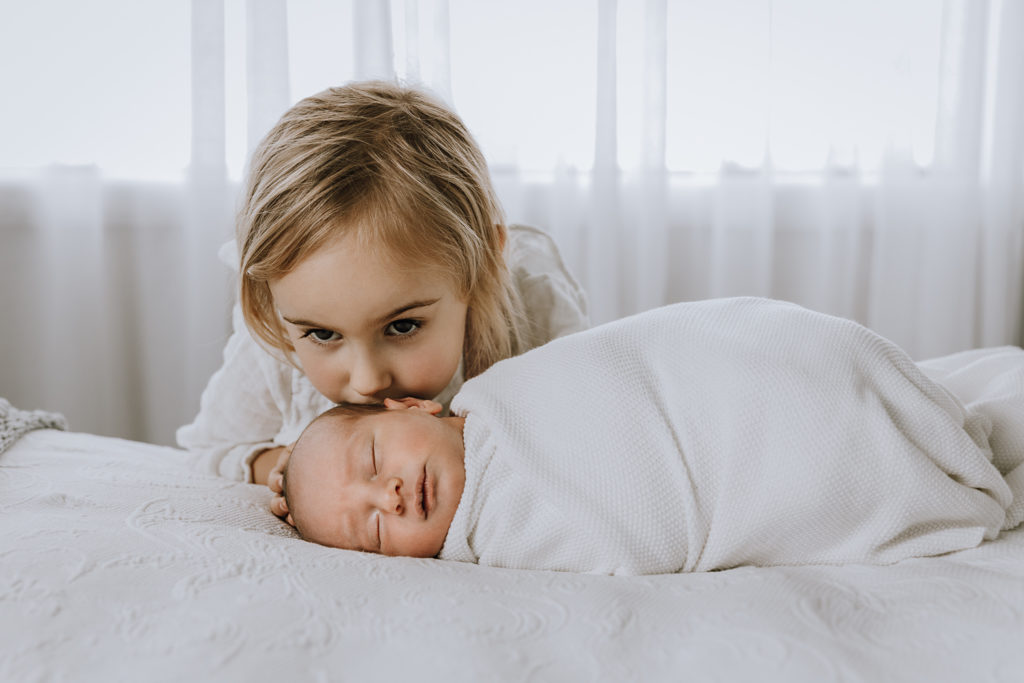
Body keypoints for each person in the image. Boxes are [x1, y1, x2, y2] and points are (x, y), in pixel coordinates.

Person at [280, 297, 1024, 575]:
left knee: (813, 380)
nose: (390, 494)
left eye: (373, 460)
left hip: (753, 376)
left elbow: (646, 362)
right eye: (371, 529)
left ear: (413, 408)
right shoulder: (496, 548)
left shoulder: (503, 394)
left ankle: (901, 414)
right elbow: (627, 527)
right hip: (740, 478)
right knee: (835, 465)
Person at [176, 81, 589, 522]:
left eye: (403, 326)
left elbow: (587, 444)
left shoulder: (533, 307)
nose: (368, 381)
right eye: (321, 334)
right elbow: (208, 450)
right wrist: (274, 463)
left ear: (482, 265)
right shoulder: (276, 347)